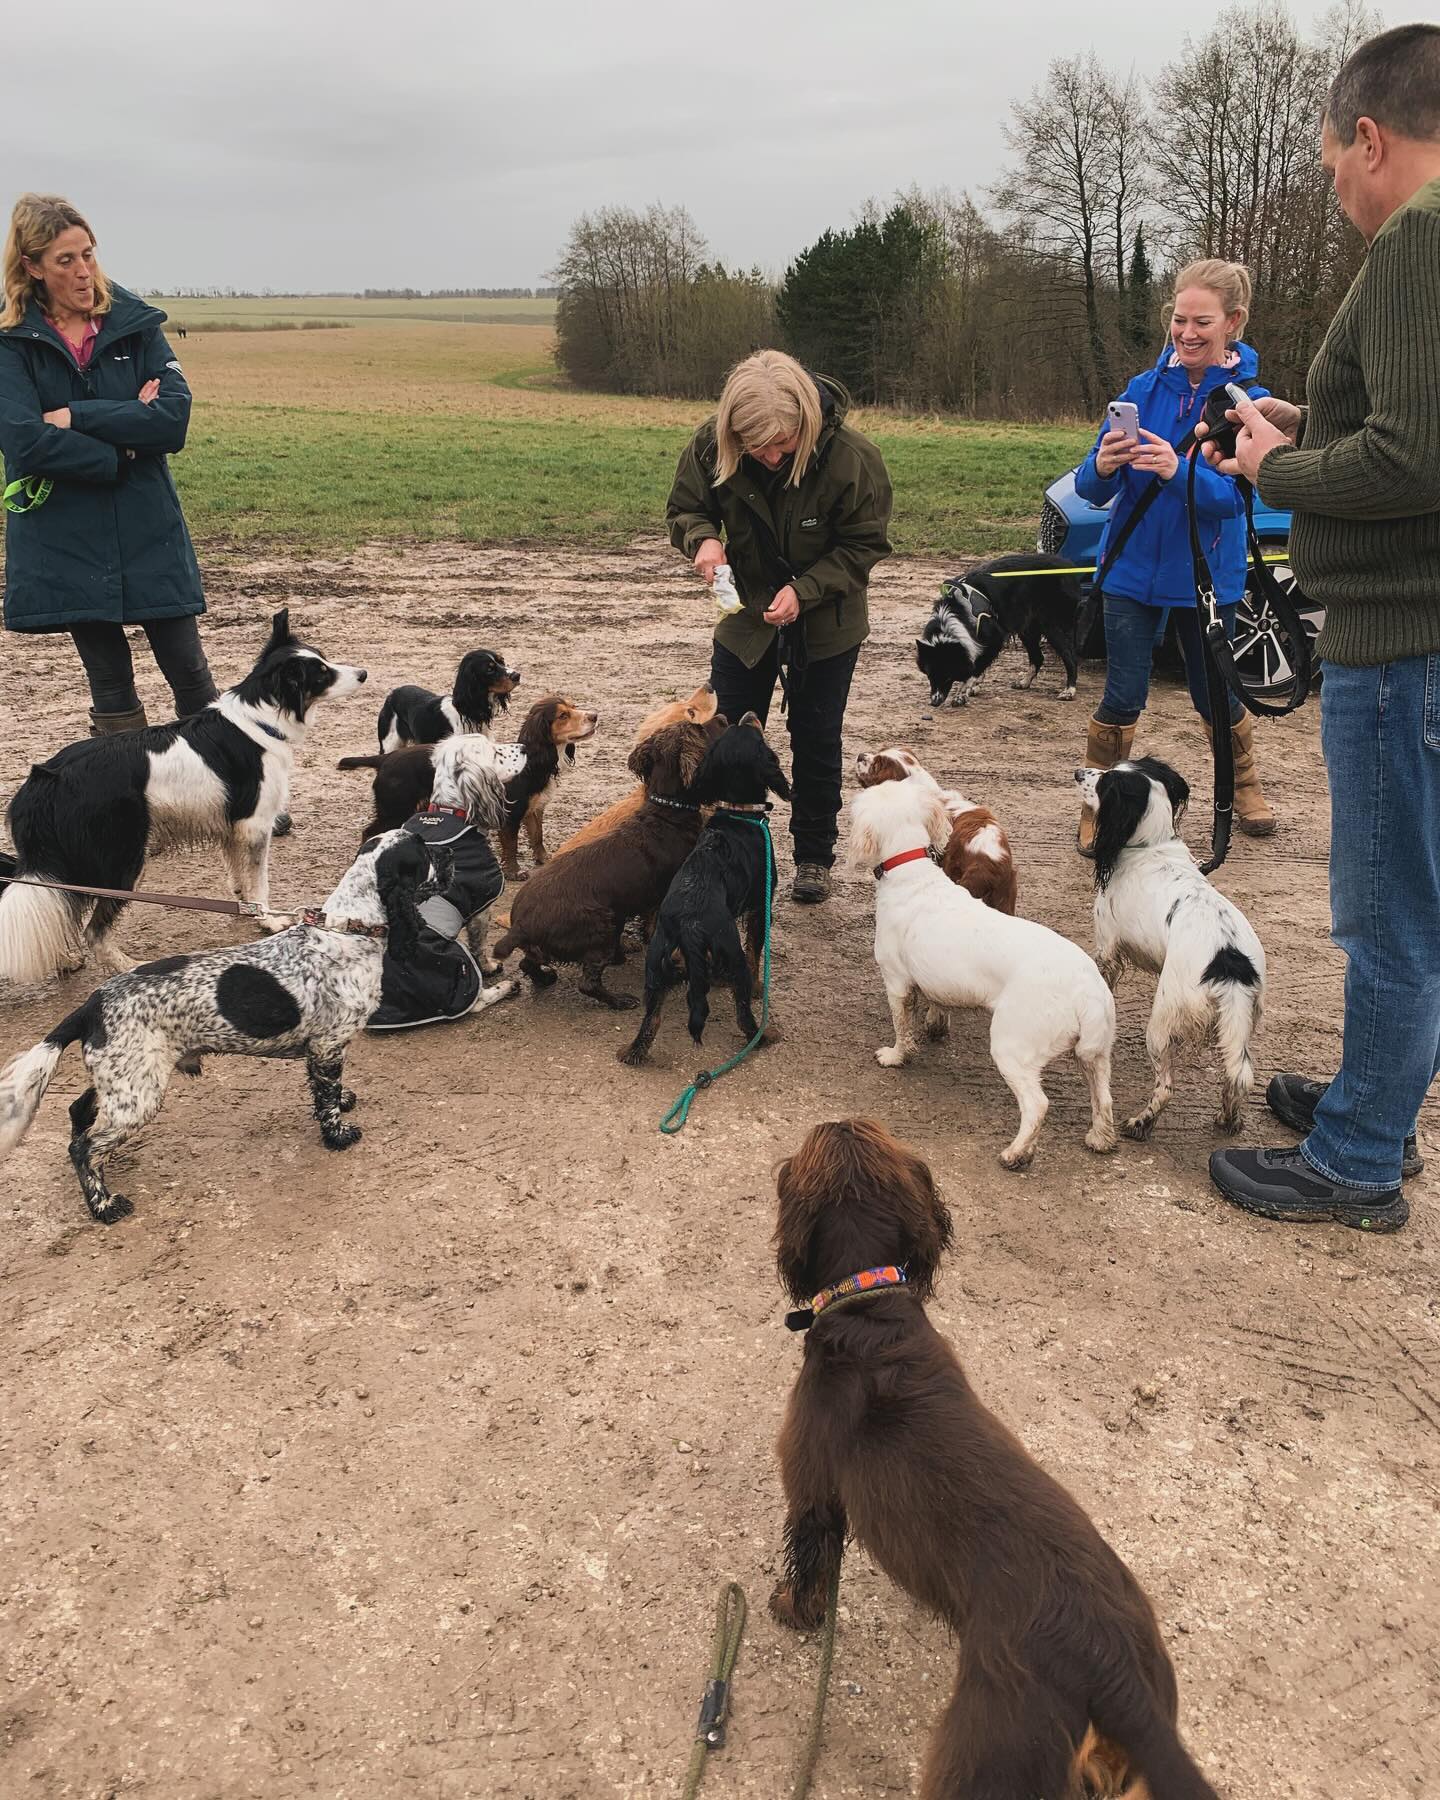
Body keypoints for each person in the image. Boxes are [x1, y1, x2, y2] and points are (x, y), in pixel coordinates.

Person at [1203, 23, 1440, 1232]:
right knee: (1413, 902)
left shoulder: (1417, 244)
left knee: (1390, 911)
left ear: (1370, 136)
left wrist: (1281, 467)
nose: (1335, 185)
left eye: (1333, 162)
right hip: (1417, 638)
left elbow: (1414, 458)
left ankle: (1356, 1162)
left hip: (1402, 644)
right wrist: (1310, 423)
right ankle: (1371, 1105)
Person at [667, 350, 893, 903]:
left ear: (806, 424)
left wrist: (806, 591)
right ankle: (721, 844)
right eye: (754, 446)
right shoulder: (710, 443)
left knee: (816, 740)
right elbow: (685, 509)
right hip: (746, 619)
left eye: (782, 444)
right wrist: (704, 540)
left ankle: (814, 857)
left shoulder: (854, 459)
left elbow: (864, 545)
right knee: (720, 733)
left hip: (827, 623)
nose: (769, 457)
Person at [1073, 260, 1275, 854]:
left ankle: (1243, 784)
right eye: (1179, 320)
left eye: (1202, 322)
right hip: (1131, 571)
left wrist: (1177, 470)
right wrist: (1104, 466)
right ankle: (1100, 804)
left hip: (1207, 576)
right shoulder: (1140, 391)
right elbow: (1091, 489)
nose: (1187, 333)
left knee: (1211, 690)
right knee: (1122, 693)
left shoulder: (1249, 403)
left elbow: (1238, 500)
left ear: (1232, 323)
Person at [0, 193, 217, 735]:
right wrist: (120, 445)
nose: (83, 272)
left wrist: (75, 415)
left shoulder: (134, 322)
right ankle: (131, 801)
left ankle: (236, 792)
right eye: (65, 260)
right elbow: (24, 441)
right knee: (110, 679)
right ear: (32, 266)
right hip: (64, 532)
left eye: (88, 255)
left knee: (189, 671)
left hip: (146, 522)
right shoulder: (11, 341)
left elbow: (171, 419)